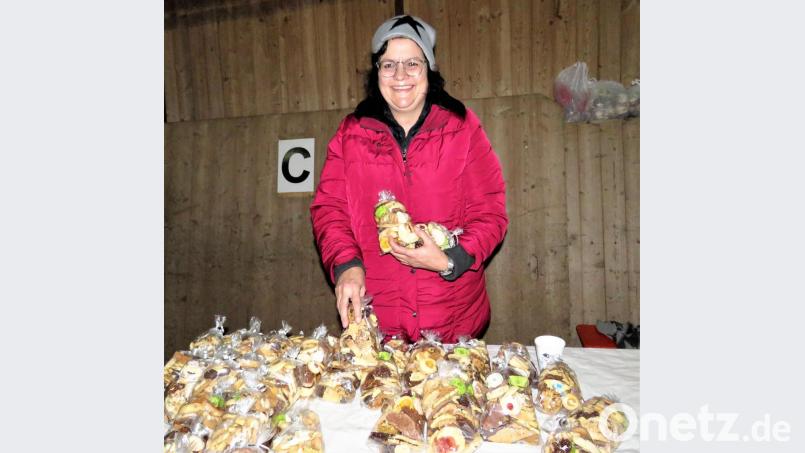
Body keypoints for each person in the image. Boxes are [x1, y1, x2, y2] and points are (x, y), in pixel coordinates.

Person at [310, 15, 508, 343]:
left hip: (452, 317)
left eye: (412, 63)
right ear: (377, 72)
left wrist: (449, 259)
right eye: (389, 65)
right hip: (378, 317)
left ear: (428, 69)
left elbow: (491, 214)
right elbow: (330, 210)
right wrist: (346, 265)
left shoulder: (462, 127)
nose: (400, 75)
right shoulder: (351, 133)